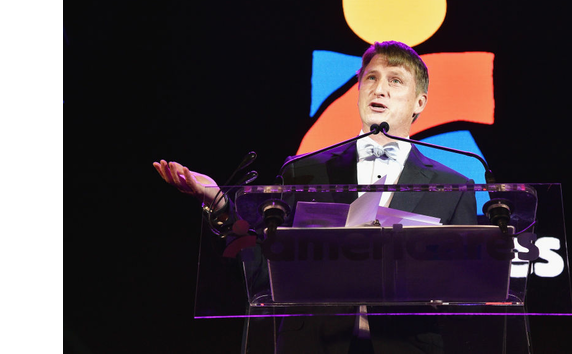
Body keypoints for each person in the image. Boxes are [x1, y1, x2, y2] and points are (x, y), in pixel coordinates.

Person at [154, 41, 477, 353]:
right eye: (371, 78)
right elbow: (265, 267)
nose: (380, 89)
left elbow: (469, 290)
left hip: (408, 343)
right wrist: (219, 203)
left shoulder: (454, 187)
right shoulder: (303, 171)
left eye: (395, 80)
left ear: (419, 102)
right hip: (313, 343)